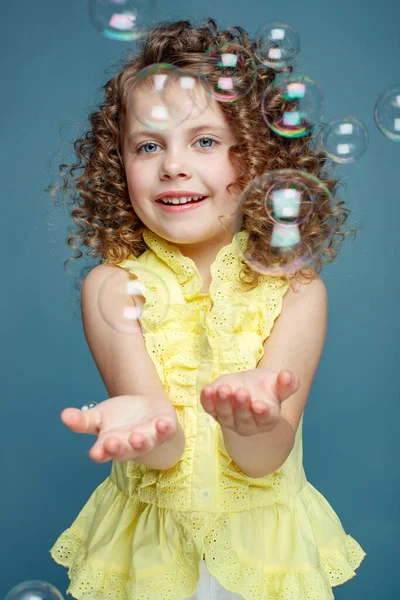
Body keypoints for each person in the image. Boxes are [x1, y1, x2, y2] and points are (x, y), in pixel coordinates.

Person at [48, 18, 366, 600]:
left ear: (259, 155)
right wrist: (147, 426)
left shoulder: (297, 292)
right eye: (148, 145)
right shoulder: (112, 286)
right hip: (150, 564)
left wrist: (257, 420)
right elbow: (164, 452)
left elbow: (264, 462)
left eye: (204, 141)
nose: (172, 164)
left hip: (263, 561)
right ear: (118, 166)